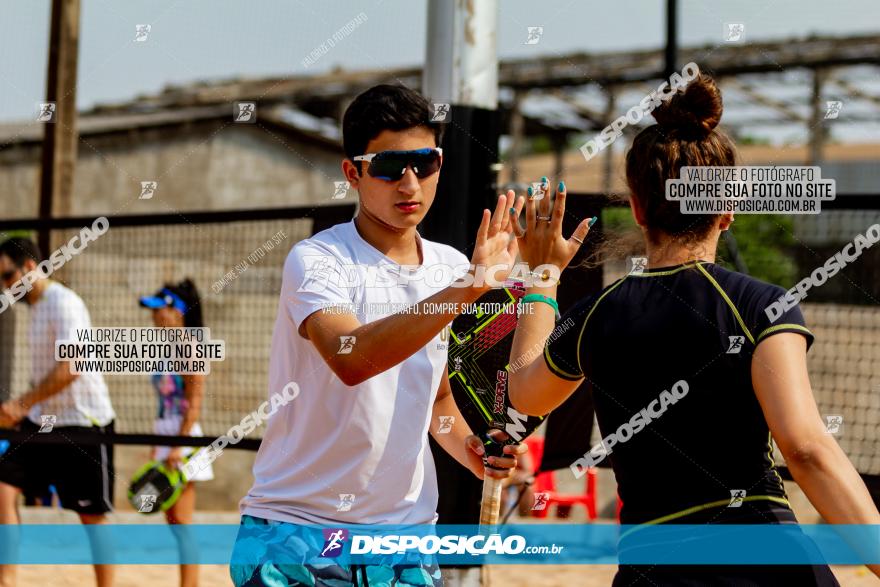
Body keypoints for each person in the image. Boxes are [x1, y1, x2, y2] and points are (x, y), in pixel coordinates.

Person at [506, 74, 880, 585]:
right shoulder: (760, 304)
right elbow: (807, 448)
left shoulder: (596, 314)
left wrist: (542, 280)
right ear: (727, 212)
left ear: (637, 209)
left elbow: (526, 394)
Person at [233, 84, 527, 586]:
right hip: (297, 532)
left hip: (404, 541)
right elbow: (353, 360)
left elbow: (434, 402)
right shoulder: (318, 261)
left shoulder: (451, 267)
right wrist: (470, 286)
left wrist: (474, 450)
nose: (409, 184)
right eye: (390, 166)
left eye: (425, 162)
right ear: (354, 172)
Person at [0, 237, 117, 587]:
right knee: (3, 487)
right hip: (43, 424)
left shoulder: (64, 304)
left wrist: (20, 403)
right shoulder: (35, 310)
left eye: (7, 276)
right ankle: (6, 579)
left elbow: (73, 365)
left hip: (84, 424)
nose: (6, 286)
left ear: (30, 268)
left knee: (92, 517)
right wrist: (25, 410)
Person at [139, 279, 214, 587]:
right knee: (173, 521)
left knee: (182, 523)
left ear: (177, 312)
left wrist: (175, 448)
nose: (154, 317)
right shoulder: (165, 349)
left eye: (159, 310)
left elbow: (194, 405)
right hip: (166, 440)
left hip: (184, 443)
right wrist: (158, 446)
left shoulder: (191, 348)